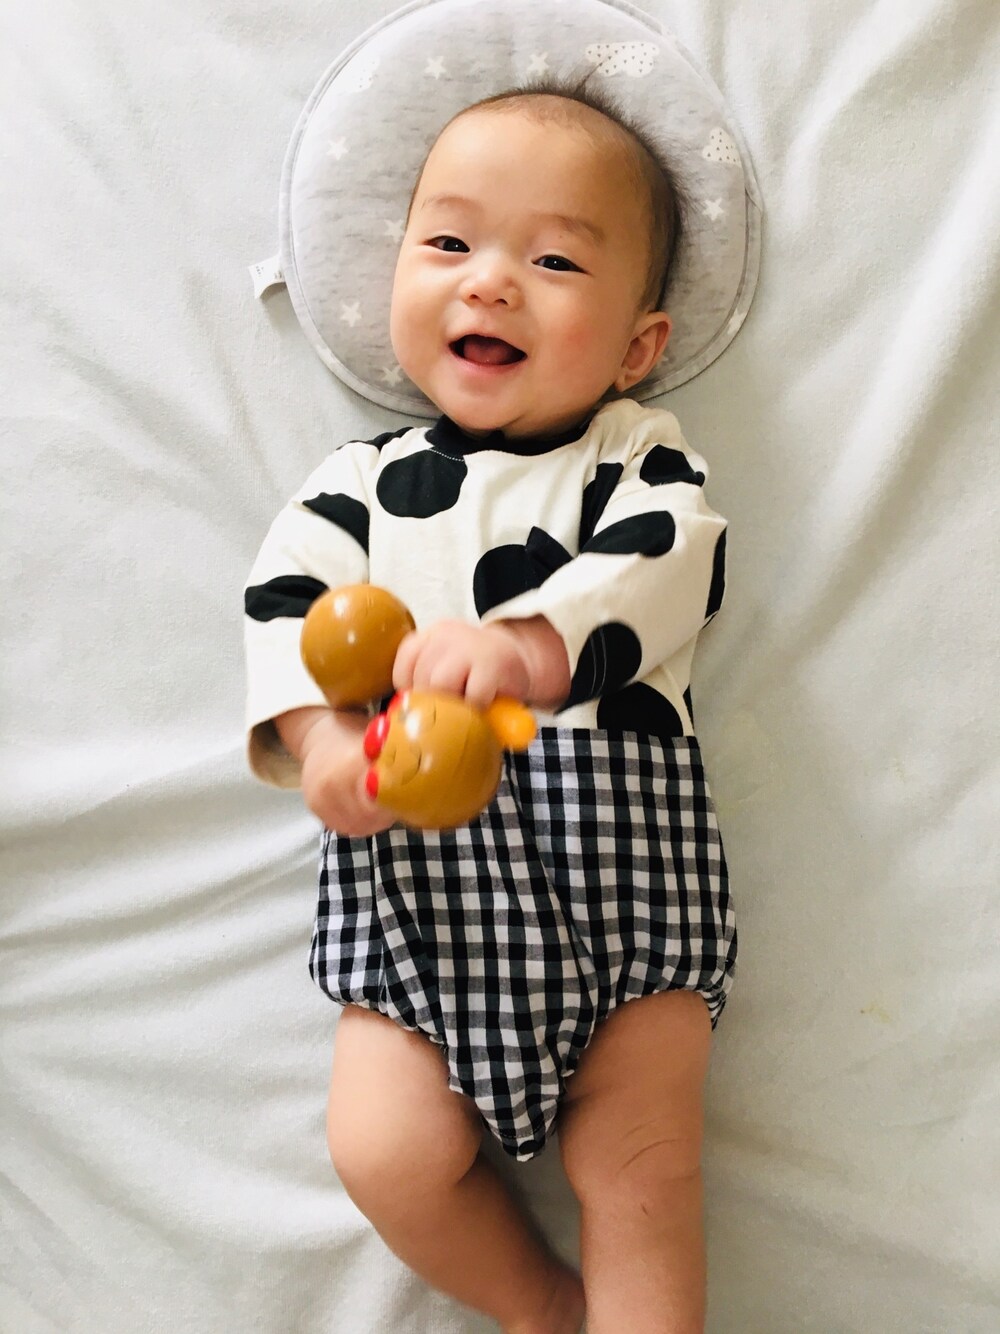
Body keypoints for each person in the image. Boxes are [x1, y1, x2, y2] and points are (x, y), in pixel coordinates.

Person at [244, 80, 737, 1334]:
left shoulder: (633, 456)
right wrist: (323, 741)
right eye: (451, 242)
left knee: (640, 1166)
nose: (492, 282)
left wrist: (524, 647)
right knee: (382, 1150)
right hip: (418, 899)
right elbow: (285, 604)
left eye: (555, 259)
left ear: (635, 345)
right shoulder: (362, 483)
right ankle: (538, 1304)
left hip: (625, 900)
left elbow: (675, 558)